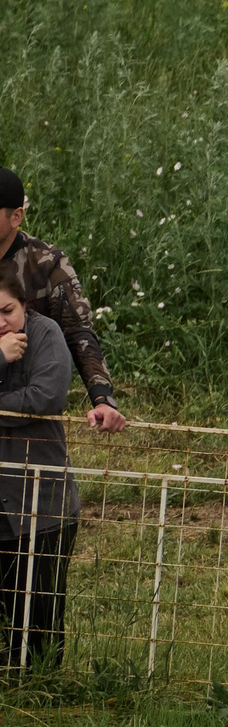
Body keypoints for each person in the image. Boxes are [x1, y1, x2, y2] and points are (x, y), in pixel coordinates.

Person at [0, 260, 81, 670]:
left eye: (7, 310)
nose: (1, 322)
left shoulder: (47, 334)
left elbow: (46, 397)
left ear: (24, 304)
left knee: (39, 619)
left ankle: (40, 687)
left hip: (40, 504)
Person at [0, 168, 123, 433]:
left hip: (26, 399)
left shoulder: (46, 263)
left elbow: (78, 330)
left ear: (16, 216)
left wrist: (102, 398)